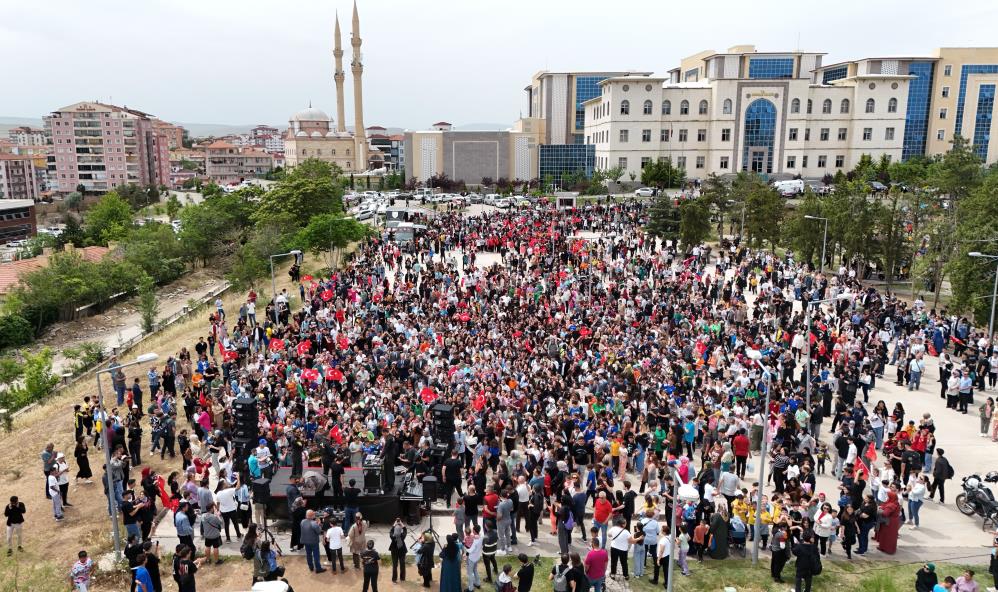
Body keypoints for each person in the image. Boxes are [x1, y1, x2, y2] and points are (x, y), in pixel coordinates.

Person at [300, 509, 326, 573]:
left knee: (308, 555)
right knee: (316, 555)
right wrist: (319, 524)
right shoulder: (314, 523)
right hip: (314, 542)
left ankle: (311, 567)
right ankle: (318, 568)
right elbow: (319, 531)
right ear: (312, 516)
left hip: (305, 541)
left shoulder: (302, 521)